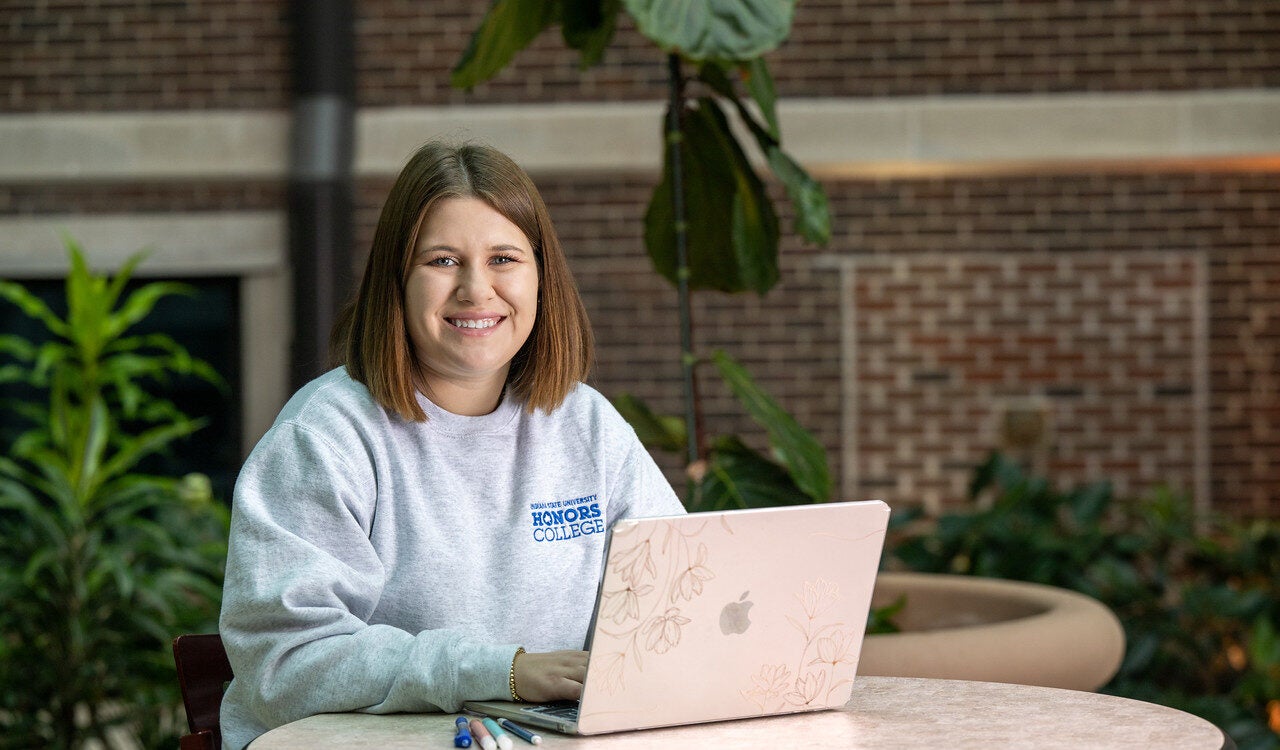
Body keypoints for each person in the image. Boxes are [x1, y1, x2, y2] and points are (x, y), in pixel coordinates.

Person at [217, 141, 685, 750]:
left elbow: (679, 599)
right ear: (397, 281)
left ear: (541, 276)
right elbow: (287, 660)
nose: (476, 289)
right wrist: (504, 672)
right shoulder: (326, 436)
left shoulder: (586, 426)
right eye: (442, 260)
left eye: (503, 258)